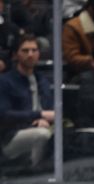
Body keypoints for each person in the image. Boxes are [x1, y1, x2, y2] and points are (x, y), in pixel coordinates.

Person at [0, 34, 53, 168]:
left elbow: (51, 109)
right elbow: (4, 115)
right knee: (41, 135)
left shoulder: (43, 80)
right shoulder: (5, 81)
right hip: (11, 137)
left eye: (34, 50)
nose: (30, 54)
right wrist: (38, 116)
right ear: (15, 55)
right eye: (25, 50)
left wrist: (44, 120)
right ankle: (34, 171)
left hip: (43, 126)